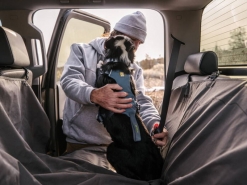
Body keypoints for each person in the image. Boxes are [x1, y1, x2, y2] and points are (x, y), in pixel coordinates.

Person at [60, 11, 168, 171]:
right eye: (132, 40)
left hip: (122, 146)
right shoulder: (82, 51)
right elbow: (69, 80)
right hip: (81, 143)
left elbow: (142, 102)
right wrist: (94, 94)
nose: (136, 46)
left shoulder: (134, 70)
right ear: (114, 35)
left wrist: (154, 125)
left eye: (139, 42)